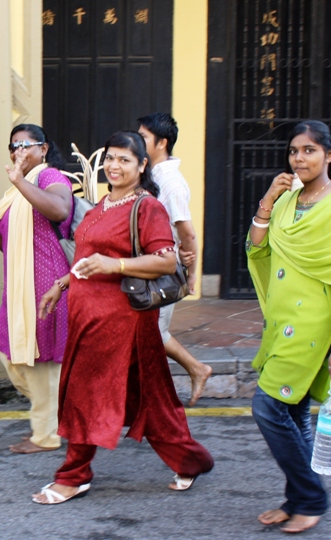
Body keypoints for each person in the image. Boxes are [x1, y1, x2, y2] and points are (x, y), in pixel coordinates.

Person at [31, 131, 214, 505]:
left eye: (125, 160)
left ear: (142, 165)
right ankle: (192, 460)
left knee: (85, 393)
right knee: (152, 399)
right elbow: (89, 257)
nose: (115, 166)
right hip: (88, 317)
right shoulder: (101, 206)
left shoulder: (147, 207)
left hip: (121, 320)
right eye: (111, 158)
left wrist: (114, 264)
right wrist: (63, 282)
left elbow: (166, 258)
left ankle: (73, 476)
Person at [246, 120, 331, 533]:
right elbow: (256, 248)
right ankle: (298, 497)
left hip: (315, 326)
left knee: (268, 407)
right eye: (295, 150)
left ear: (329, 155)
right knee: (294, 413)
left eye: (310, 151)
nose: (300, 158)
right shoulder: (286, 201)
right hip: (282, 322)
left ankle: (312, 498)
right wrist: (267, 200)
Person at [0, 124, 72, 453]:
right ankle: (61, 409)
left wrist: (19, 181)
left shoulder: (49, 177)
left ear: (43, 150)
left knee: (41, 363)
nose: (19, 151)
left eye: (27, 145)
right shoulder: (16, 191)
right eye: (14, 146)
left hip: (47, 284)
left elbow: (59, 209)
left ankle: (46, 435)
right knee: (8, 349)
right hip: (18, 287)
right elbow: (4, 243)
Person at [137, 113, 212, 406]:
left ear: (162, 142)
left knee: (154, 333)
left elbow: (188, 234)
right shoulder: (152, 174)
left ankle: (191, 373)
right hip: (146, 267)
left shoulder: (171, 182)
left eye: (144, 137)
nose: (139, 142)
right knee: (150, 332)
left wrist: (191, 275)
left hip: (162, 268)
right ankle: (193, 370)